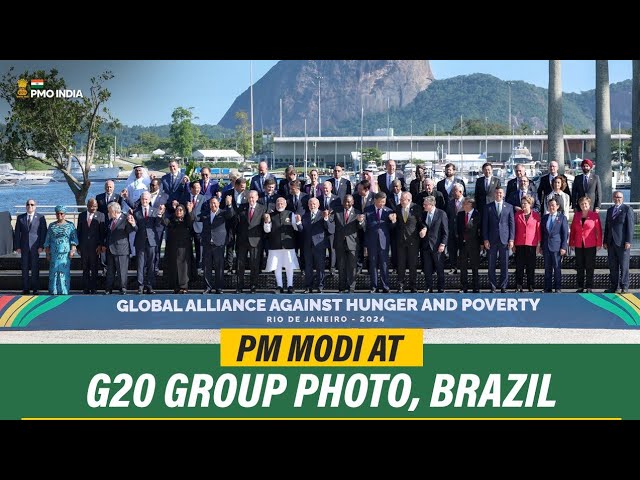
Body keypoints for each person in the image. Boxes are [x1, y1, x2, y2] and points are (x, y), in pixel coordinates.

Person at [264, 197, 301, 293]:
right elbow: (267, 230)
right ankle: (279, 286)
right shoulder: (271, 215)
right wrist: (267, 222)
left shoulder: (290, 214)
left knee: (289, 266)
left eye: (281, 203)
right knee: (277, 266)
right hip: (275, 245)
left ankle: (290, 285)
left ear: (285, 204)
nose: (279, 205)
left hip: (288, 245)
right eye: (278, 203)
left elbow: (296, 228)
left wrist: (298, 221)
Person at [200, 196, 235, 294]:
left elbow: (231, 214)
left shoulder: (223, 213)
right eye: (211, 203)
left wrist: (229, 205)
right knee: (207, 267)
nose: (213, 205)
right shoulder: (206, 213)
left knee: (219, 267)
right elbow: (196, 217)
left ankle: (219, 288)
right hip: (207, 243)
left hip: (219, 243)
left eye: (215, 203)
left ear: (219, 204)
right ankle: (208, 287)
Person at [482, 186, 514, 293]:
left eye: (500, 193)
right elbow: (485, 225)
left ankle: (503, 285)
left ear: (503, 194)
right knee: (491, 264)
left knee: (504, 264)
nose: (498, 195)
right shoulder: (488, 207)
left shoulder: (509, 207)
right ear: (494, 194)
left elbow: (511, 224)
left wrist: (511, 239)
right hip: (491, 240)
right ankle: (493, 285)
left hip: (504, 239)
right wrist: (485, 239)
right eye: (496, 193)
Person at [331, 194, 365, 293]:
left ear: (353, 202)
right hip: (340, 243)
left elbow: (361, 228)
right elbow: (329, 222)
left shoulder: (357, 213)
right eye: (345, 201)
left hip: (352, 244)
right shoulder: (337, 212)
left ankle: (351, 287)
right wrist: (326, 217)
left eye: (349, 201)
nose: (346, 203)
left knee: (352, 267)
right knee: (341, 266)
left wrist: (360, 222)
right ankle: (342, 287)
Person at [569, 196, 602, 293]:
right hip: (579, 244)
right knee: (579, 266)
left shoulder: (594, 215)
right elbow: (573, 231)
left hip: (590, 244)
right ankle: (580, 286)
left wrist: (598, 243)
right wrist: (571, 242)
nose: (584, 205)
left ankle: (589, 286)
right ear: (579, 205)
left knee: (589, 266)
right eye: (582, 204)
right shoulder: (576, 215)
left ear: (589, 204)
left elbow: (598, 230)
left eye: (585, 204)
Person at [299, 197, 333, 293]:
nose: (312, 206)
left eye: (314, 204)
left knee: (320, 267)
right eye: (310, 204)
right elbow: (302, 230)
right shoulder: (305, 216)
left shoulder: (323, 214)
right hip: (307, 245)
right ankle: (308, 287)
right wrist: (298, 223)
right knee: (308, 267)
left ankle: (320, 286)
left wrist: (326, 218)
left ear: (318, 205)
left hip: (319, 245)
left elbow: (329, 229)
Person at [132, 192, 163, 294]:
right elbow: (136, 228)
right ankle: (140, 286)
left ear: (149, 200)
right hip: (140, 241)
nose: (144, 201)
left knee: (151, 265)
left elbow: (158, 225)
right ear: (140, 200)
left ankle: (149, 286)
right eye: (143, 199)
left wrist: (159, 215)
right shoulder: (136, 212)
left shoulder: (155, 211)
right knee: (140, 265)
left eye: (146, 199)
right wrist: (133, 224)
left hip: (151, 241)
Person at [391, 191, 422, 293]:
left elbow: (421, 223)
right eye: (400, 199)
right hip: (400, 241)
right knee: (401, 265)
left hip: (413, 241)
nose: (400, 201)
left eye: (402, 200)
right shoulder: (397, 208)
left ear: (409, 200)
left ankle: (413, 286)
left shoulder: (416, 208)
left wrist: (424, 229)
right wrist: (393, 222)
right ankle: (401, 285)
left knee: (413, 265)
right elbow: (394, 226)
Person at [604, 191, 635, 293]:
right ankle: (614, 286)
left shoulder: (627, 209)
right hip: (611, 243)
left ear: (622, 198)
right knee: (613, 266)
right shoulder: (610, 210)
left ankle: (624, 286)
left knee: (624, 265)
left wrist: (628, 241)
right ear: (613, 198)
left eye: (619, 197)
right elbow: (607, 227)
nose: (617, 199)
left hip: (622, 243)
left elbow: (630, 227)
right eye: (616, 197)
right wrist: (605, 241)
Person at [14, 199, 47, 294]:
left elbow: (43, 232)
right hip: (23, 247)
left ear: (35, 206)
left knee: (35, 268)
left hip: (35, 247)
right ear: (26, 206)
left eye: (32, 204)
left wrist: (41, 246)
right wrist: (17, 246)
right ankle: (25, 288)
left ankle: (35, 289)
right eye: (28, 204)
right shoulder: (20, 218)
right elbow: (17, 233)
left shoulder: (41, 217)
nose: (30, 206)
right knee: (24, 268)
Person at [43, 206, 78, 295]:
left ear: (64, 214)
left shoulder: (70, 225)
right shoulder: (52, 225)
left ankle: (64, 292)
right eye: (58, 213)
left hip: (65, 254)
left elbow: (74, 239)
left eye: (61, 213)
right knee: (53, 273)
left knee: (64, 273)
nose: (59, 215)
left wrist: (72, 251)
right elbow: (47, 240)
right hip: (54, 253)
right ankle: (53, 291)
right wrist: (47, 253)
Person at [235, 191, 266, 293]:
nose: (251, 200)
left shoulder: (262, 208)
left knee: (254, 264)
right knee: (240, 264)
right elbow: (237, 222)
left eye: (253, 197)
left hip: (255, 240)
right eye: (249, 198)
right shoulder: (242, 207)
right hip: (242, 240)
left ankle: (253, 285)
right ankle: (240, 286)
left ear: (257, 198)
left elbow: (264, 225)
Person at [104, 201, 137, 295]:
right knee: (110, 271)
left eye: (109, 211)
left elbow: (133, 229)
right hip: (110, 249)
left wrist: (133, 224)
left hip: (121, 250)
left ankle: (123, 288)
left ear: (115, 211)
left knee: (122, 271)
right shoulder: (111, 220)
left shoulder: (125, 218)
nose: (108, 213)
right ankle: (108, 289)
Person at [364, 192, 394, 293]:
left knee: (384, 265)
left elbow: (392, 228)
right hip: (372, 242)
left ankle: (385, 286)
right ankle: (374, 286)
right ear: (375, 200)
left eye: (383, 202)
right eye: (380, 202)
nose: (382, 204)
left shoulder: (388, 211)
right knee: (373, 265)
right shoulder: (368, 210)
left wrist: (393, 222)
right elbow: (364, 226)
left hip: (384, 242)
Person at [419, 195, 449, 293]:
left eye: (425, 204)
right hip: (426, 245)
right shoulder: (424, 214)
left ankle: (441, 287)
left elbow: (445, 231)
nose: (424, 206)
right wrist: (423, 229)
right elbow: (422, 225)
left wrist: (443, 244)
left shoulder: (441, 214)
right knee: (427, 268)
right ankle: (429, 286)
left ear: (431, 205)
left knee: (439, 268)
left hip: (437, 246)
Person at [77, 198, 106, 294]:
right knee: (85, 268)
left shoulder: (101, 215)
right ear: (87, 206)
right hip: (84, 247)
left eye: (95, 206)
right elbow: (79, 232)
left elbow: (102, 232)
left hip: (95, 247)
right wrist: (78, 246)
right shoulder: (81, 216)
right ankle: (85, 288)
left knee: (94, 268)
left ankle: (93, 288)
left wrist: (101, 245)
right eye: (92, 206)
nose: (94, 208)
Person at [163, 203, 193, 294]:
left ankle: (184, 287)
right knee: (174, 267)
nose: (179, 212)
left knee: (184, 268)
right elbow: (164, 222)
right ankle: (176, 287)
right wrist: (162, 213)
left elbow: (191, 220)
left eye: (181, 210)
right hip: (173, 248)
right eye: (177, 210)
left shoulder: (186, 220)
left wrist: (190, 210)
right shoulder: (171, 220)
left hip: (184, 248)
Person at [539, 198, 569, 293]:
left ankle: (557, 287)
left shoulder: (562, 218)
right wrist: (541, 246)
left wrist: (564, 247)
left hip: (557, 247)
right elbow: (542, 233)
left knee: (557, 268)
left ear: (557, 206)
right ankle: (547, 287)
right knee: (547, 268)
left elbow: (565, 234)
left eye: (553, 205)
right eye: (549, 205)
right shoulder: (544, 218)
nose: (551, 207)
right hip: (546, 247)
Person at [513, 195, 541, 292]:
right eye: (522, 203)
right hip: (519, 243)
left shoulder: (536, 216)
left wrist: (538, 245)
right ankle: (519, 285)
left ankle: (530, 285)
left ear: (530, 204)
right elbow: (514, 229)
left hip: (531, 244)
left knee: (531, 266)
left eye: (525, 203)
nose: (523, 205)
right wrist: (513, 243)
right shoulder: (517, 215)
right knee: (519, 266)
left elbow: (538, 231)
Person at [457, 198, 482, 293]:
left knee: (474, 267)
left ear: (470, 204)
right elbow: (458, 230)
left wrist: (481, 244)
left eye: (465, 204)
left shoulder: (477, 215)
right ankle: (464, 286)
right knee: (463, 267)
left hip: (474, 245)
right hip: (462, 245)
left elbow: (480, 230)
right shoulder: (460, 215)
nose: (463, 205)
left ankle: (476, 287)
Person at [446, 183, 466, 275]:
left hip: (463, 231)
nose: (453, 192)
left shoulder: (467, 202)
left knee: (462, 251)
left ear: (461, 192)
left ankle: (462, 268)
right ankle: (453, 267)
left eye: (455, 190)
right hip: (452, 230)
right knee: (452, 250)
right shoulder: (450, 202)